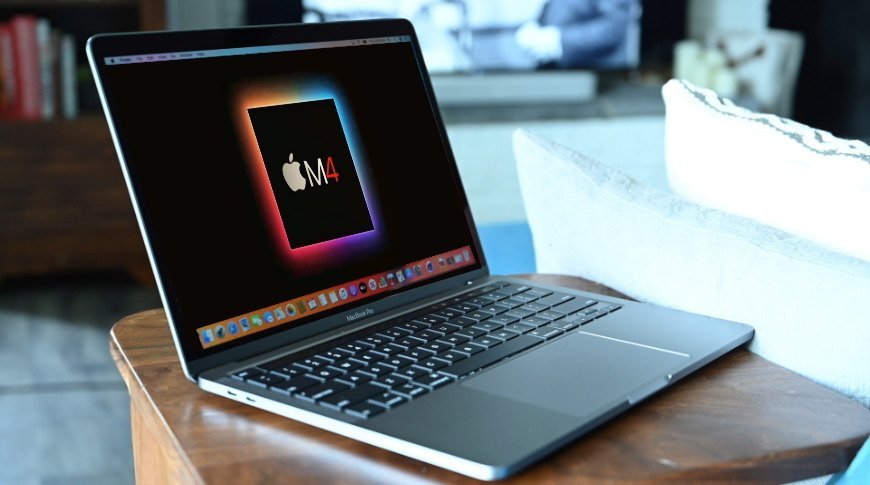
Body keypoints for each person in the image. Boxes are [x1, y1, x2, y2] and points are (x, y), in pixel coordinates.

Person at [515, 0, 634, 68]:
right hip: (555, 75)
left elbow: (612, 29)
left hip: (597, 80)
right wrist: (535, 25)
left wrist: (558, 41)